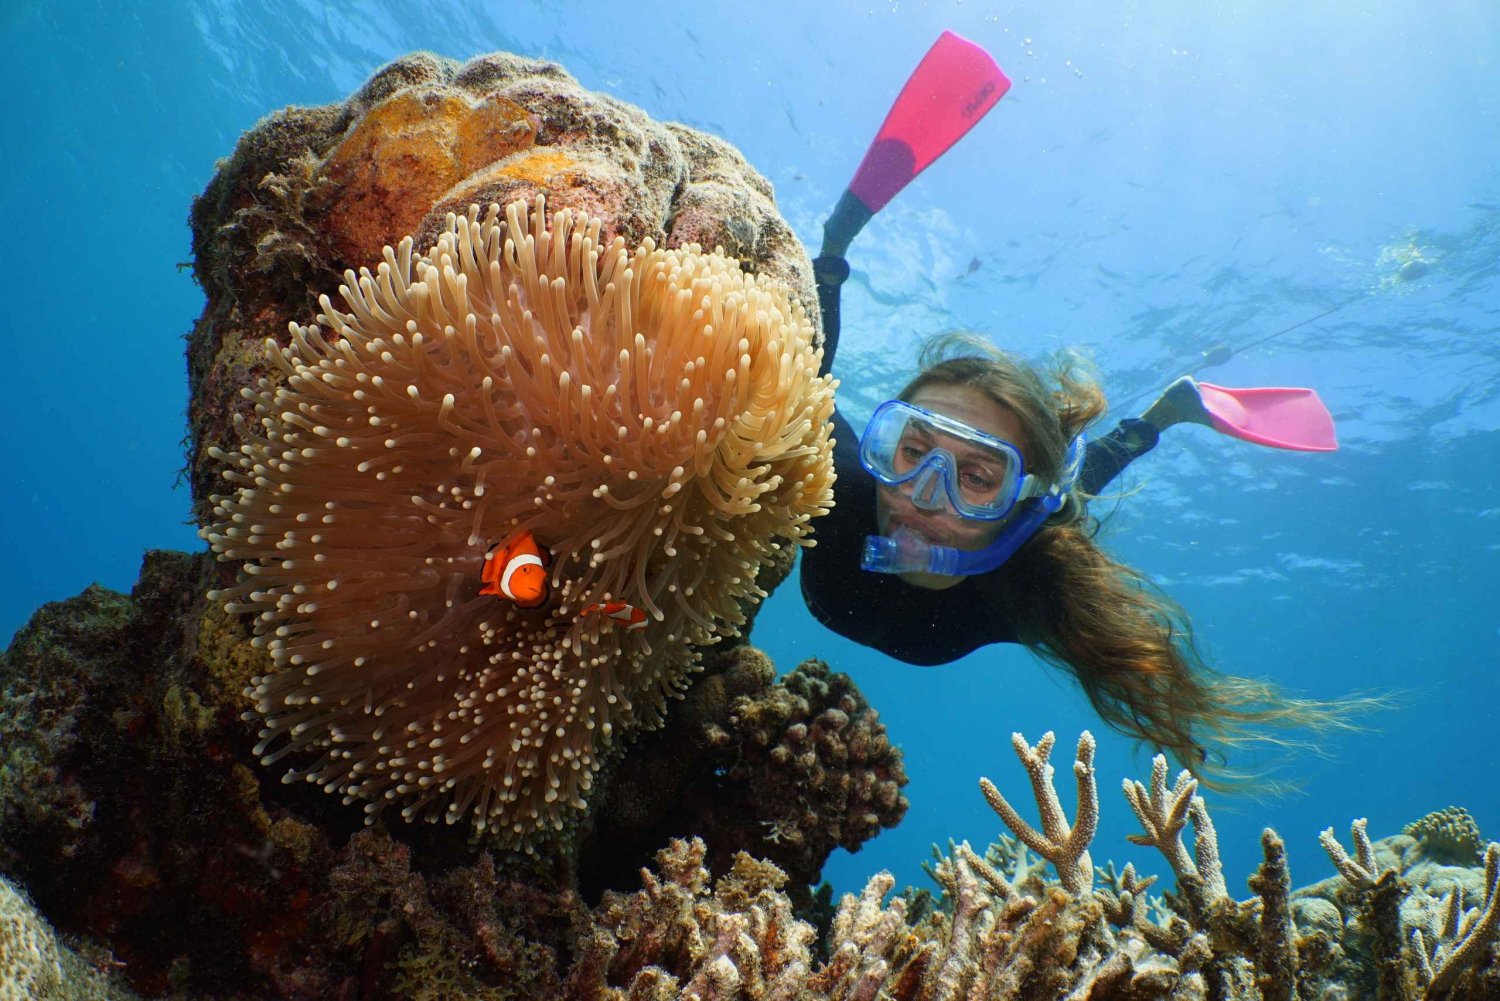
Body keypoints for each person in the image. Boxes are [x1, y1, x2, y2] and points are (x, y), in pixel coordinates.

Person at [799, 247, 1366, 787]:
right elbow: (803, 382)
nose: (922, 495)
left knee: (1067, 505)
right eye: (914, 451)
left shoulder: (1028, 583)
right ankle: (835, 252)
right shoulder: (837, 485)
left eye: (975, 479)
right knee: (803, 391)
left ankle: (1156, 421)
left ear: (1013, 505)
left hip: (1038, 520)